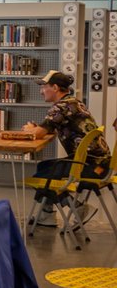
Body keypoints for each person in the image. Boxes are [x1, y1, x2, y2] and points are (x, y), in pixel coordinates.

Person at [22, 70, 111, 226]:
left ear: (55, 88)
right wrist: (37, 129)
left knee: (41, 176)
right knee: (44, 167)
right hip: (102, 164)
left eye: (44, 87)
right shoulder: (73, 102)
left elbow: (38, 134)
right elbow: (50, 128)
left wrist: (30, 129)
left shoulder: (61, 107)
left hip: (91, 167)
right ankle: (47, 214)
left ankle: (77, 207)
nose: (41, 91)